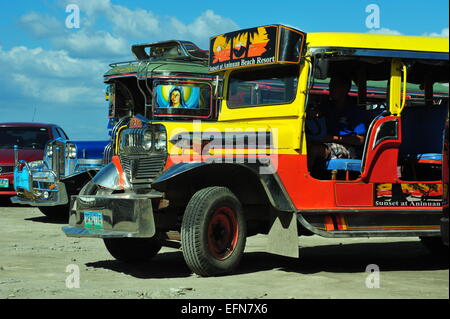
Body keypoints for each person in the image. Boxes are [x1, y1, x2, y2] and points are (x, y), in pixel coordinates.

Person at [307, 74, 368, 173]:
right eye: (330, 85)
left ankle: (306, 179)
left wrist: (332, 138)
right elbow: (315, 115)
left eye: (334, 86)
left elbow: (361, 140)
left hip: (349, 148)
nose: (330, 89)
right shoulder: (328, 106)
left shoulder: (354, 109)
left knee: (314, 150)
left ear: (345, 89)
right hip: (327, 142)